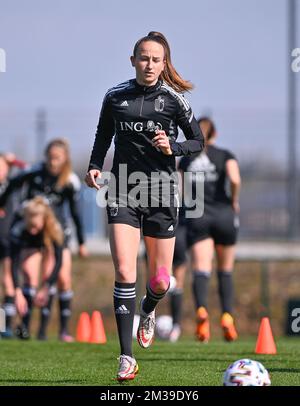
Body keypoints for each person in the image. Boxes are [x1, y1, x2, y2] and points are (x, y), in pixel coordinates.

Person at [85, 31, 204, 381]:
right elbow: (102, 135)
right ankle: (126, 357)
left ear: (163, 63)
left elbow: (197, 141)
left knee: (161, 280)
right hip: (122, 189)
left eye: (156, 59)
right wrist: (94, 165)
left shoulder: (174, 99)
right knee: (124, 270)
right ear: (133, 60)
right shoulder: (115, 96)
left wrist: (174, 148)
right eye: (143, 57)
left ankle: (149, 307)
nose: (149, 64)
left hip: (163, 194)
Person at [0, 139, 88, 341]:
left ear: (65, 159)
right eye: (50, 157)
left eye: (57, 158)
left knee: (60, 279)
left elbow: (75, 213)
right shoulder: (34, 173)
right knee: (29, 277)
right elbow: (12, 184)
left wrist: (81, 242)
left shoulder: (69, 181)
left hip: (55, 233)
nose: (53, 162)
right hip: (32, 232)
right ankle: (25, 328)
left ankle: (60, 331)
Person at [174, 117, 241, 343]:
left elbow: (176, 186)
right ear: (216, 134)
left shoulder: (187, 158)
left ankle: (202, 311)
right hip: (223, 214)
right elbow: (235, 178)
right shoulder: (225, 155)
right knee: (225, 270)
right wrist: (234, 199)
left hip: (197, 214)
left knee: (201, 270)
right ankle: (227, 316)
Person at [9, 197, 64, 339]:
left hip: (48, 245)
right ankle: (25, 328)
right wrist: (17, 292)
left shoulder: (54, 228)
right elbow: (14, 263)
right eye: (30, 226)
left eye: (36, 226)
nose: (33, 230)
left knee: (49, 272)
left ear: (44, 220)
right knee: (28, 272)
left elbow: (58, 261)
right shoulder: (19, 229)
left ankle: (42, 332)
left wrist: (46, 287)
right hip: (30, 247)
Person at [0, 153, 26, 338]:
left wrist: (13, 160)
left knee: (8, 283)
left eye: (3, 167)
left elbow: (28, 170)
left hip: (6, 241)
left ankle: (5, 327)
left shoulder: (11, 186)